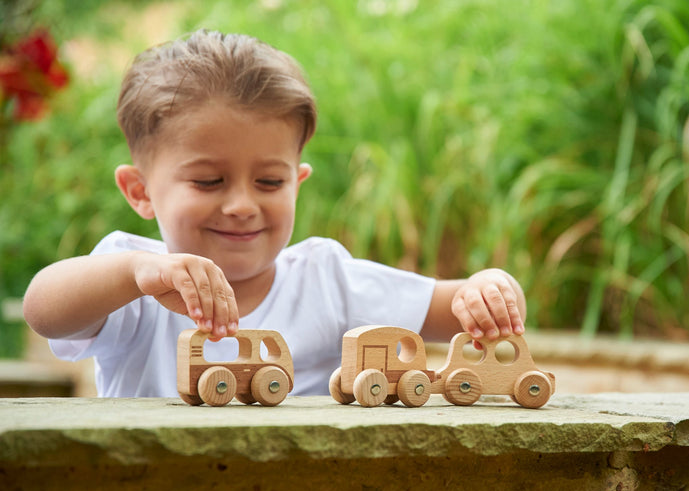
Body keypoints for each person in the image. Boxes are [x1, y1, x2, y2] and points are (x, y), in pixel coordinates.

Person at [23, 29, 526, 397]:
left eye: (269, 182)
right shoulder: (132, 278)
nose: (243, 205)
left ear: (297, 183)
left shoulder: (327, 281)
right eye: (208, 181)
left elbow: (451, 305)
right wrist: (135, 274)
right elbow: (43, 311)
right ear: (140, 191)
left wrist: (489, 288)